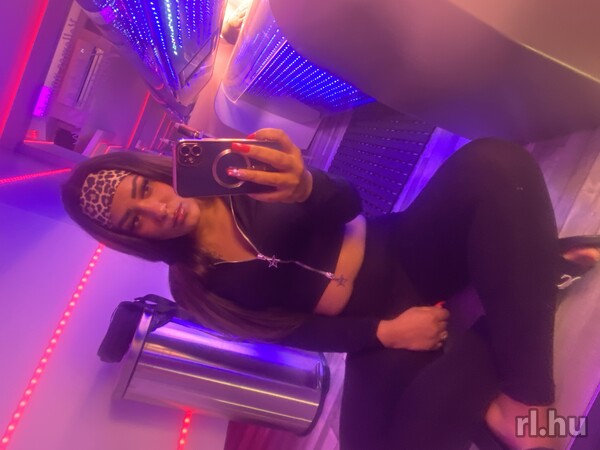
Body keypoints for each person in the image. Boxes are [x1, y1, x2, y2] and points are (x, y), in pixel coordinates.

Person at [62, 128, 600, 449]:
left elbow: (348, 204)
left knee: (495, 164)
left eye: (144, 189)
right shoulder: (193, 285)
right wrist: (384, 333)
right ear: (133, 239)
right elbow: (291, 331)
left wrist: (307, 184)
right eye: (135, 221)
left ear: (152, 170)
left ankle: (526, 400)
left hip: (406, 251)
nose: (157, 210)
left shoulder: (232, 173)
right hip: (372, 323)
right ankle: (526, 280)